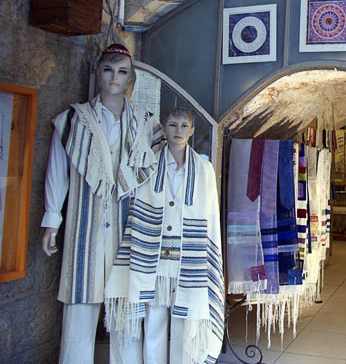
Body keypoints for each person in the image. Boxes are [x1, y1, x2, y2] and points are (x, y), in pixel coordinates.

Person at [40, 44, 160, 363]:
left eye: (122, 71)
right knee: (79, 312)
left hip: (128, 229)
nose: (114, 78)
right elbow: (58, 171)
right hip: (85, 230)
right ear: (99, 73)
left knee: (127, 316)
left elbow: (158, 176)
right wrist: (52, 218)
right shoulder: (73, 121)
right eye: (108, 70)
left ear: (130, 77)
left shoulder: (145, 123)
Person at [104, 107, 225, 364]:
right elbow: (127, 193)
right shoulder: (148, 163)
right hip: (154, 260)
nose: (178, 131)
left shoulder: (203, 169)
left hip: (187, 261)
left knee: (185, 328)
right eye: (172, 125)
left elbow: (211, 217)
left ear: (192, 131)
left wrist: (207, 259)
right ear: (164, 128)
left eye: (184, 126)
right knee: (154, 327)